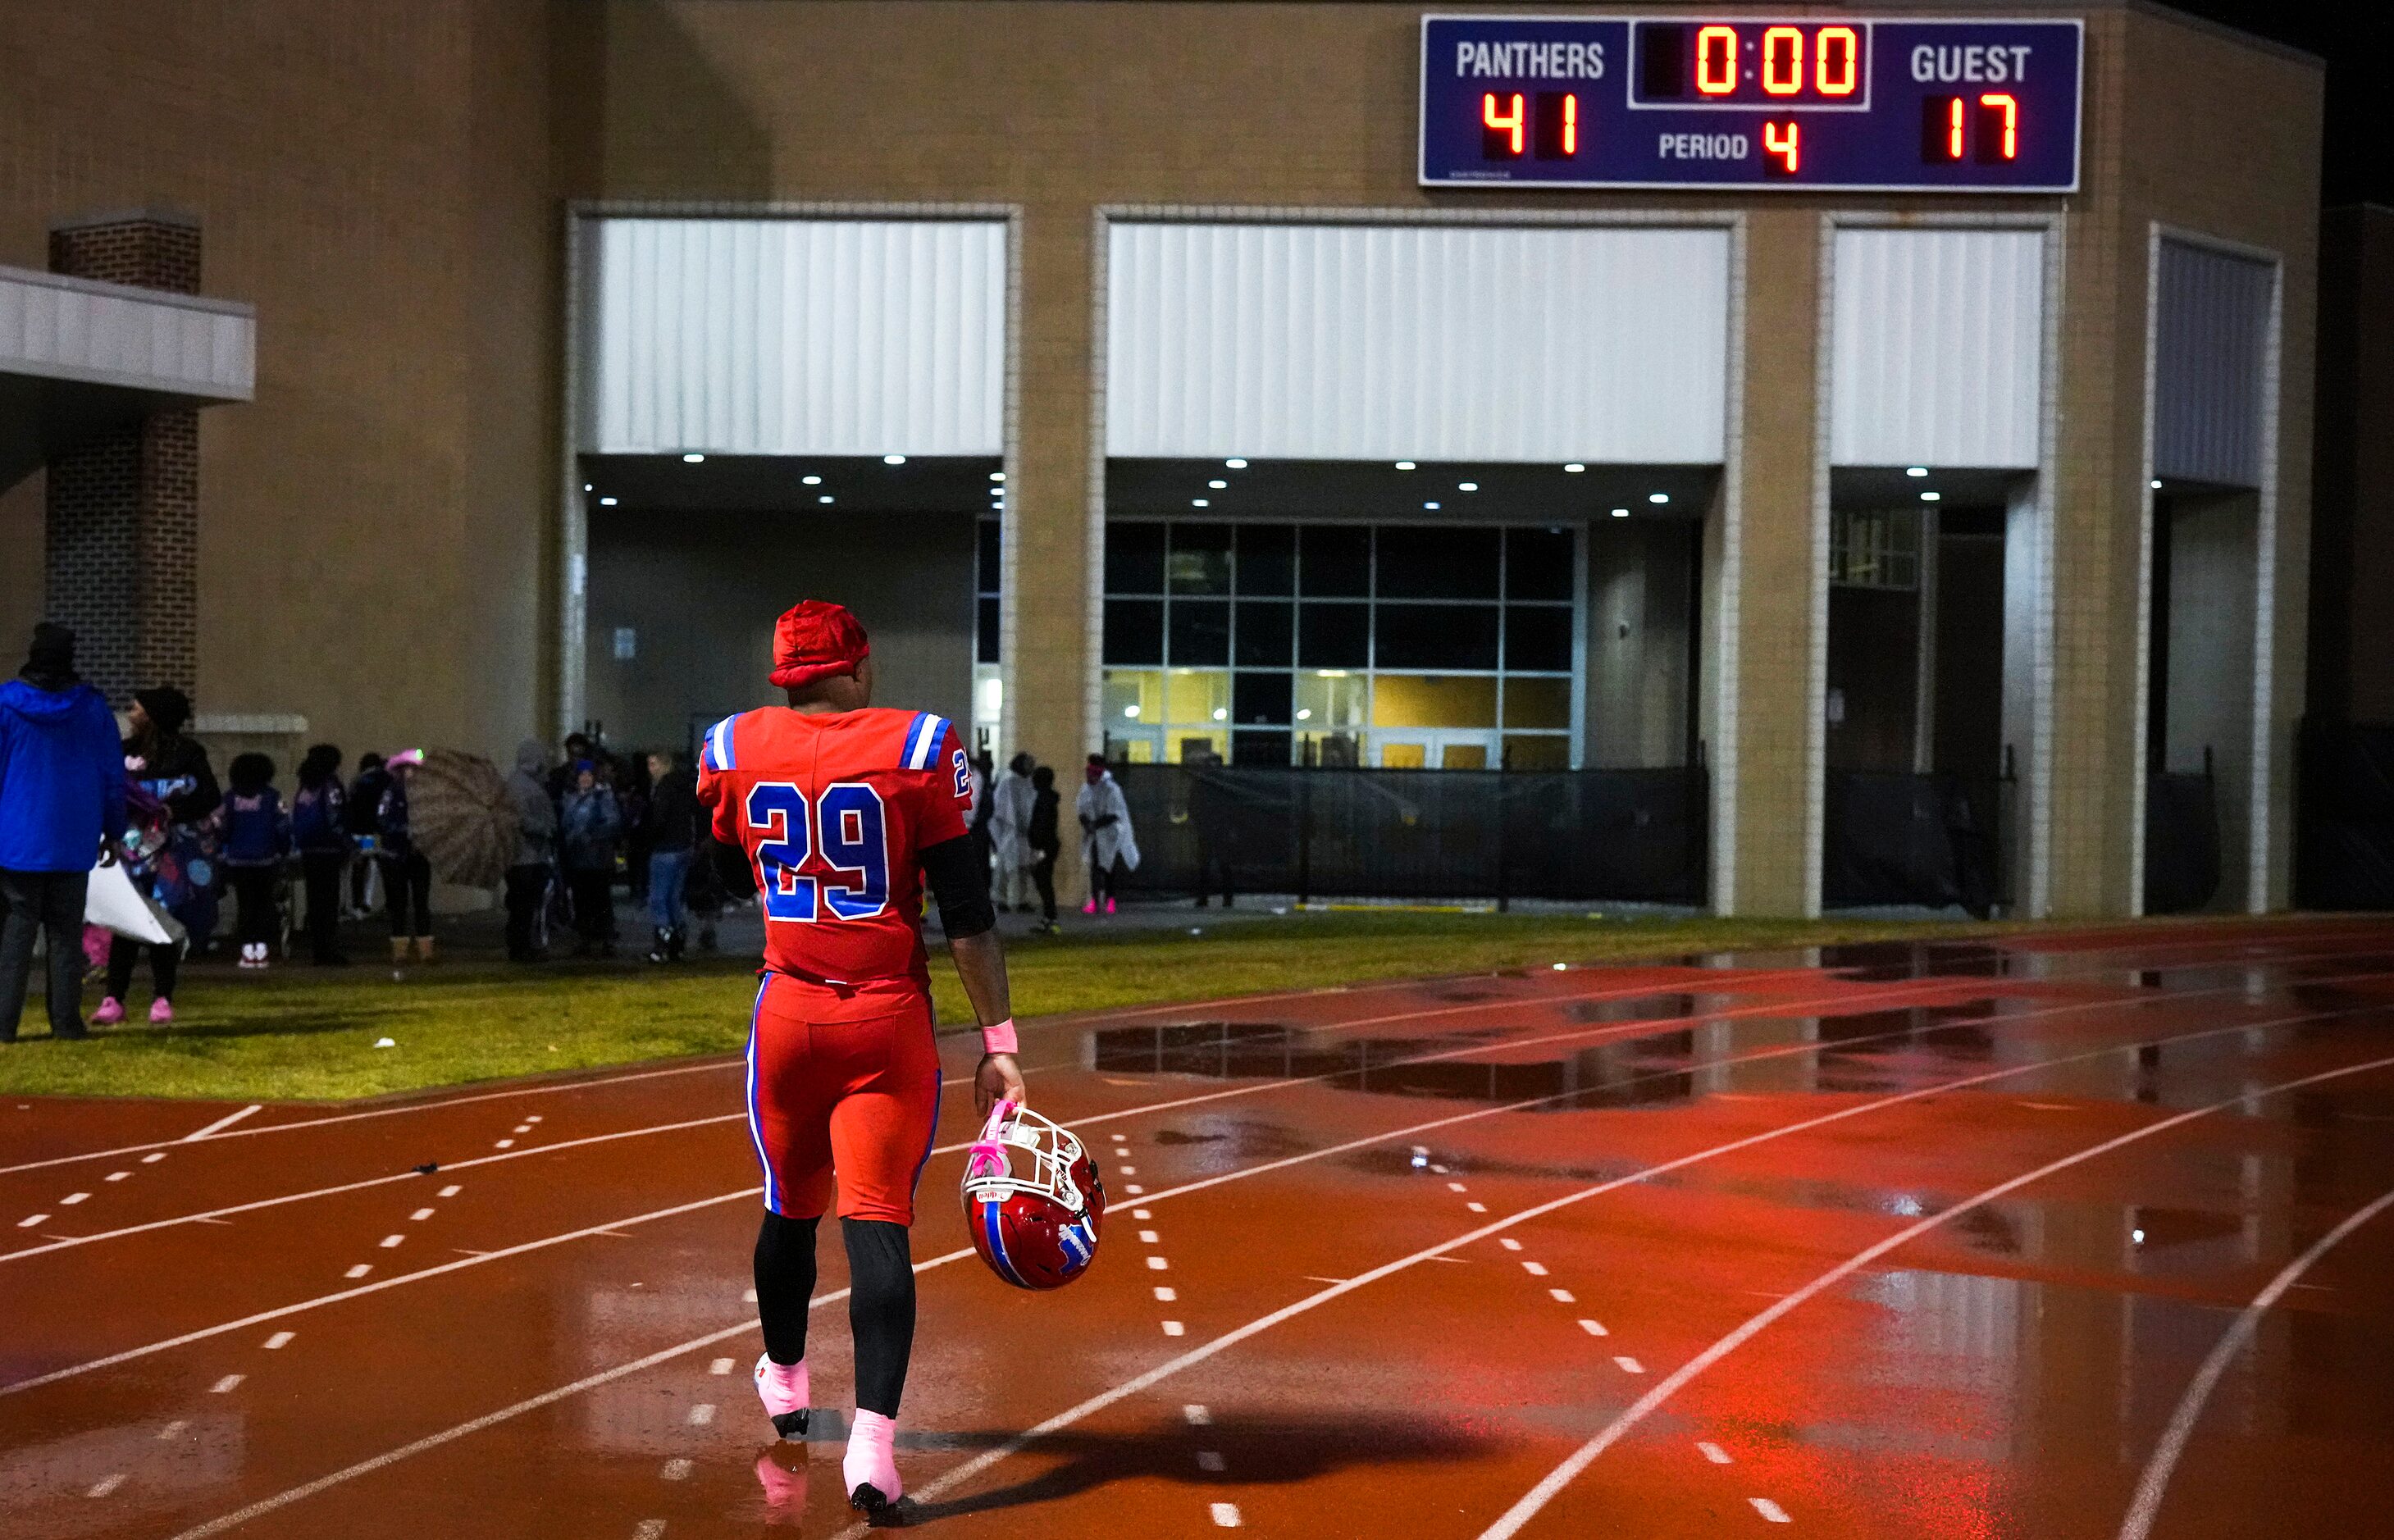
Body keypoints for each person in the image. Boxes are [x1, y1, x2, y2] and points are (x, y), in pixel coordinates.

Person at [696, 598, 1022, 1519]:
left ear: (784, 674)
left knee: (788, 1207)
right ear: (860, 665)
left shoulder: (734, 746)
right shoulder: (918, 746)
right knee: (876, 1224)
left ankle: (789, 1382)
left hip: (788, 1015)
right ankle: (874, 1451)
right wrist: (999, 1044)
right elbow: (968, 912)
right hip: (887, 1021)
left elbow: (722, 871)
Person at [0, 624, 125, 1043]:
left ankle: (5, 1023)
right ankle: (66, 1022)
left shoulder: (7, 705)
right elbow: (112, 774)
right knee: (66, 935)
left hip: (17, 837)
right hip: (73, 836)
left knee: (17, 932)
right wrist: (114, 829)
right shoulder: (91, 709)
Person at [103, 686, 217, 1020]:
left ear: (152, 716)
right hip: (129, 849)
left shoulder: (188, 754)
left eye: (136, 707)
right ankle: (113, 998)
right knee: (127, 919)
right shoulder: (122, 752)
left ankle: (162, 997)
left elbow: (209, 795)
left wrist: (171, 810)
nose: (130, 712)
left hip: (172, 853)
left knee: (164, 918)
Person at [215, 753, 290, 970]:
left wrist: (226, 844)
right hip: (266, 860)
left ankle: (247, 949)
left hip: (238, 861)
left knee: (245, 904)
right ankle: (262, 949)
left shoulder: (229, 798)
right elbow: (283, 827)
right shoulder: (273, 797)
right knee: (264, 904)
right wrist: (283, 850)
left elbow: (221, 827)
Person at [290, 745, 350, 964]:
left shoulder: (306, 786)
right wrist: (347, 844)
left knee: (315, 901)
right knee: (329, 901)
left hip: (309, 849)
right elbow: (334, 817)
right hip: (328, 849)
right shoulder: (330, 785)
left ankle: (318, 948)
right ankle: (328, 950)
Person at [559, 760, 622, 957]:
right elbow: (565, 824)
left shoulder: (603, 797)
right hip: (578, 859)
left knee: (601, 900)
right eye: (581, 775)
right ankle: (585, 939)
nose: (585, 778)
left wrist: (592, 835)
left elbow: (613, 823)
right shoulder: (570, 798)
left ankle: (605, 940)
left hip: (597, 859)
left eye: (588, 775)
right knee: (582, 901)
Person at [378, 749, 435, 964]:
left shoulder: (425, 795)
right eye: (409, 768)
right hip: (397, 855)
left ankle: (425, 950)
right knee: (399, 904)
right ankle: (400, 952)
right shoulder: (391, 793)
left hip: (419, 854)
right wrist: (405, 830)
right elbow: (383, 821)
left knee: (422, 902)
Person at [504, 739, 557, 962]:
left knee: (525, 906)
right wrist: (545, 830)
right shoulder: (521, 786)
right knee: (523, 906)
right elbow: (521, 819)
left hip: (529, 856)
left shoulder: (523, 783)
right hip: (526, 857)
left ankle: (523, 945)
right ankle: (521, 947)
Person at [644, 749, 697, 963]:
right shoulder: (685, 786)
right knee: (673, 898)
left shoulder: (664, 788)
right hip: (683, 847)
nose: (650, 770)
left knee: (658, 898)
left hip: (665, 848)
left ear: (665, 765)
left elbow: (659, 819)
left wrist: (646, 838)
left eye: (654, 764)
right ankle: (677, 944)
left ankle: (661, 946)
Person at [1077, 753, 1139, 915]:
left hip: (1108, 834)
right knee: (1095, 866)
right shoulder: (1086, 789)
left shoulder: (1112, 789)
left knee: (1108, 867)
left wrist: (1095, 825)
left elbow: (1114, 813)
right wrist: (1087, 824)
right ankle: (1095, 900)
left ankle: (1110, 899)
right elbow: (1081, 809)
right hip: (1094, 834)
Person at [988, 752, 1035, 912]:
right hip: (1009, 832)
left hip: (1024, 834)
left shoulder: (1028, 783)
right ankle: (1001, 898)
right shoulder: (1008, 782)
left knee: (1023, 869)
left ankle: (1021, 900)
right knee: (1006, 868)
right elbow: (1002, 808)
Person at [344, 751, 388, 918]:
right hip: (373, 833)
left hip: (357, 831)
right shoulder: (383, 780)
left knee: (359, 866)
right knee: (375, 865)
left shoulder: (357, 781)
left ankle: (357, 904)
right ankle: (369, 903)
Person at [1026, 763, 1061, 933]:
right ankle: (1048, 917)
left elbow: (1041, 826)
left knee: (1044, 882)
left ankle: (1050, 918)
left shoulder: (1044, 800)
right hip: (1047, 846)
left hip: (1044, 847)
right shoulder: (1046, 799)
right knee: (1044, 882)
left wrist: (1037, 847)